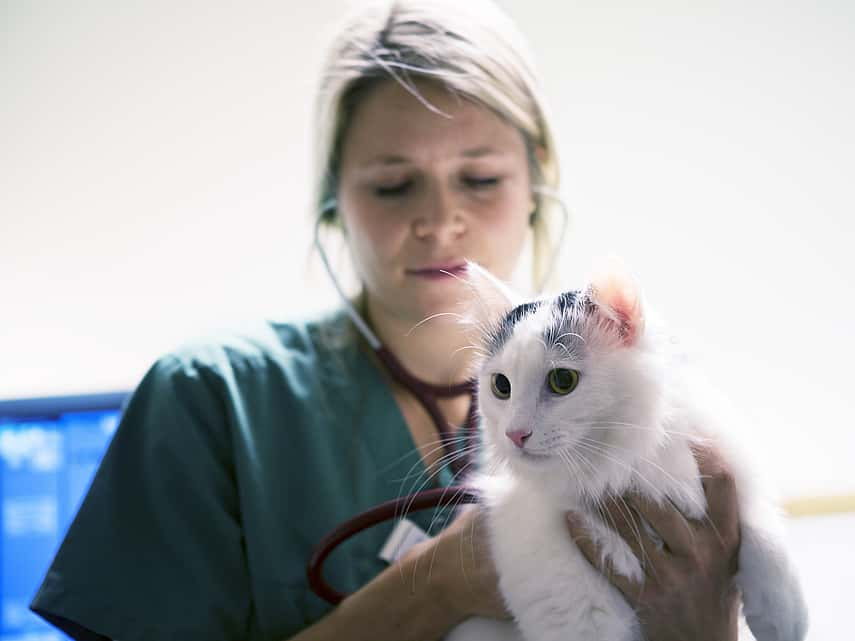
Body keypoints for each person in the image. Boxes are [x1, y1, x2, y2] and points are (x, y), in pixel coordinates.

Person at [30, 1, 741, 640]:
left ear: (536, 181)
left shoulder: (630, 392)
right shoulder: (217, 401)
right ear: (333, 198)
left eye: (480, 178)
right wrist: (435, 582)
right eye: (393, 184)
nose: (438, 221)